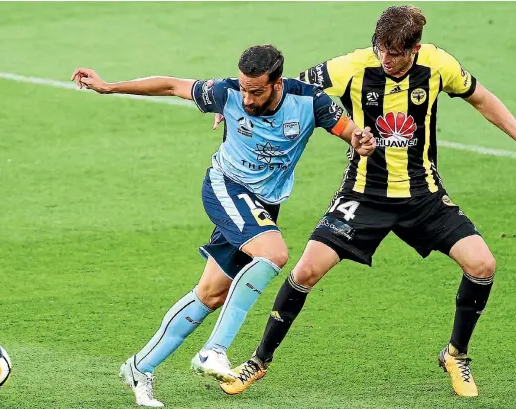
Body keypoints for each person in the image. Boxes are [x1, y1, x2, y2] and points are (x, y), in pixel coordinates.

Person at [218, 6, 516, 398]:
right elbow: (292, 89)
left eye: (394, 53)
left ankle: (456, 354)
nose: (385, 58)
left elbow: (481, 97)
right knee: (305, 271)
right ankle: (259, 360)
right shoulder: (353, 65)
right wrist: (237, 105)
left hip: (423, 195)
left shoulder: (439, 64)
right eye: (380, 49)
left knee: (483, 263)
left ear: (414, 49)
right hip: (363, 194)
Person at [71, 44, 376, 407]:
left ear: (277, 83)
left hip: (264, 204)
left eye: (256, 91)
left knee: (211, 293)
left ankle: (140, 366)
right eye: (244, 88)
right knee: (274, 253)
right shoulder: (225, 92)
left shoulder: (309, 101)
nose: (246, 98)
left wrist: (359, 138)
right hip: (226, 187)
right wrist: (109, 87)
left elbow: (348, 131)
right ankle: (213, 350)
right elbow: (171, 85)